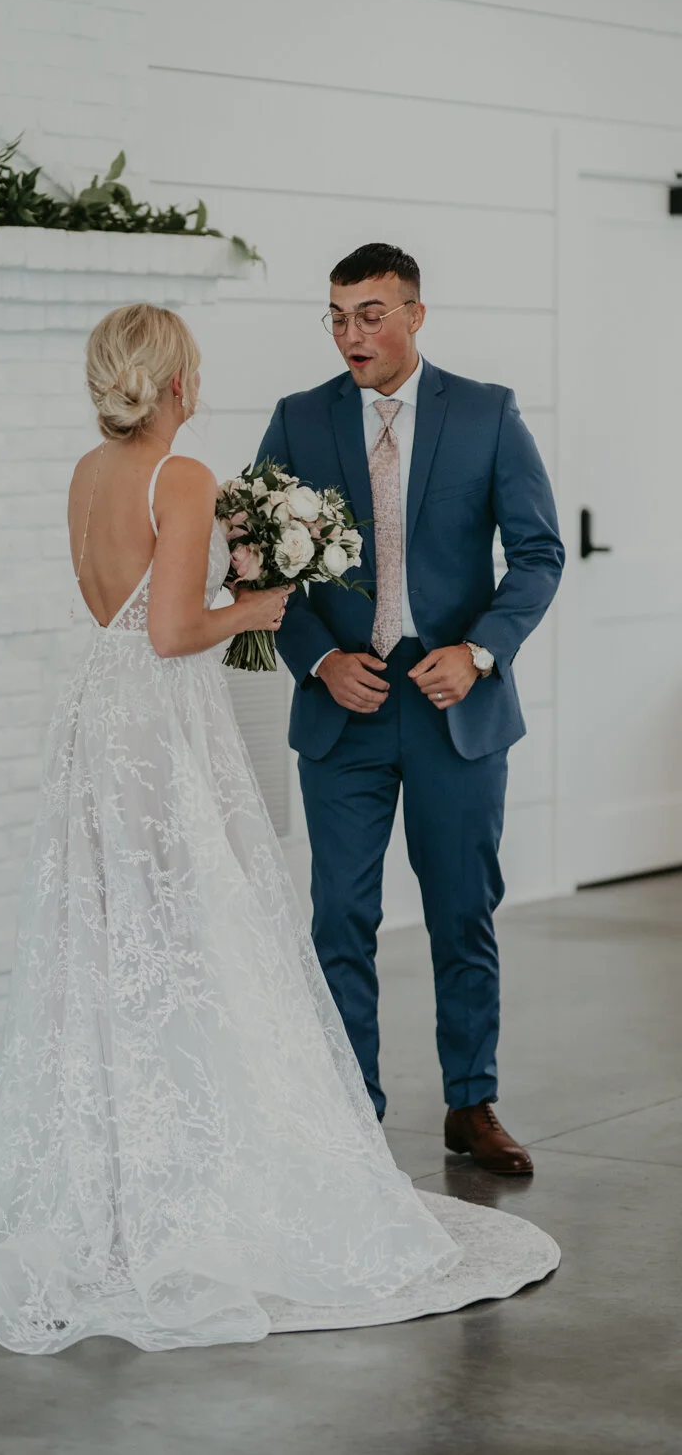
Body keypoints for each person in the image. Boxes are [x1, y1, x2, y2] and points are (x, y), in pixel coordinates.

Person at [0, 303, 558, 1354]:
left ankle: (124, 1152)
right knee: (195, 927)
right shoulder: (181, 476)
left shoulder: (88, 472)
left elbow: (112, 612)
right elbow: (173, 631)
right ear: (175, 382)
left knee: (117, 933)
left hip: (98, 715)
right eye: (194, 368)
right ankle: (191, 1157)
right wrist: (257, 608)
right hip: (159, 725)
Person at [262, 244, 565, 1172]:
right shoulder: (299, 419)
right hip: (344, 713)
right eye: (338, 316)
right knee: (339, 919)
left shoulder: (486, 412)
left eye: (371, 314)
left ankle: (471, 1106)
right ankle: (352, 1118)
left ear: (415, 315)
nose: (351, 334)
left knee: (462, 914)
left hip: (453, 710)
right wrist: (320, 662)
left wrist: (478, 653)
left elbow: (539, 555)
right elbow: (258, 567)